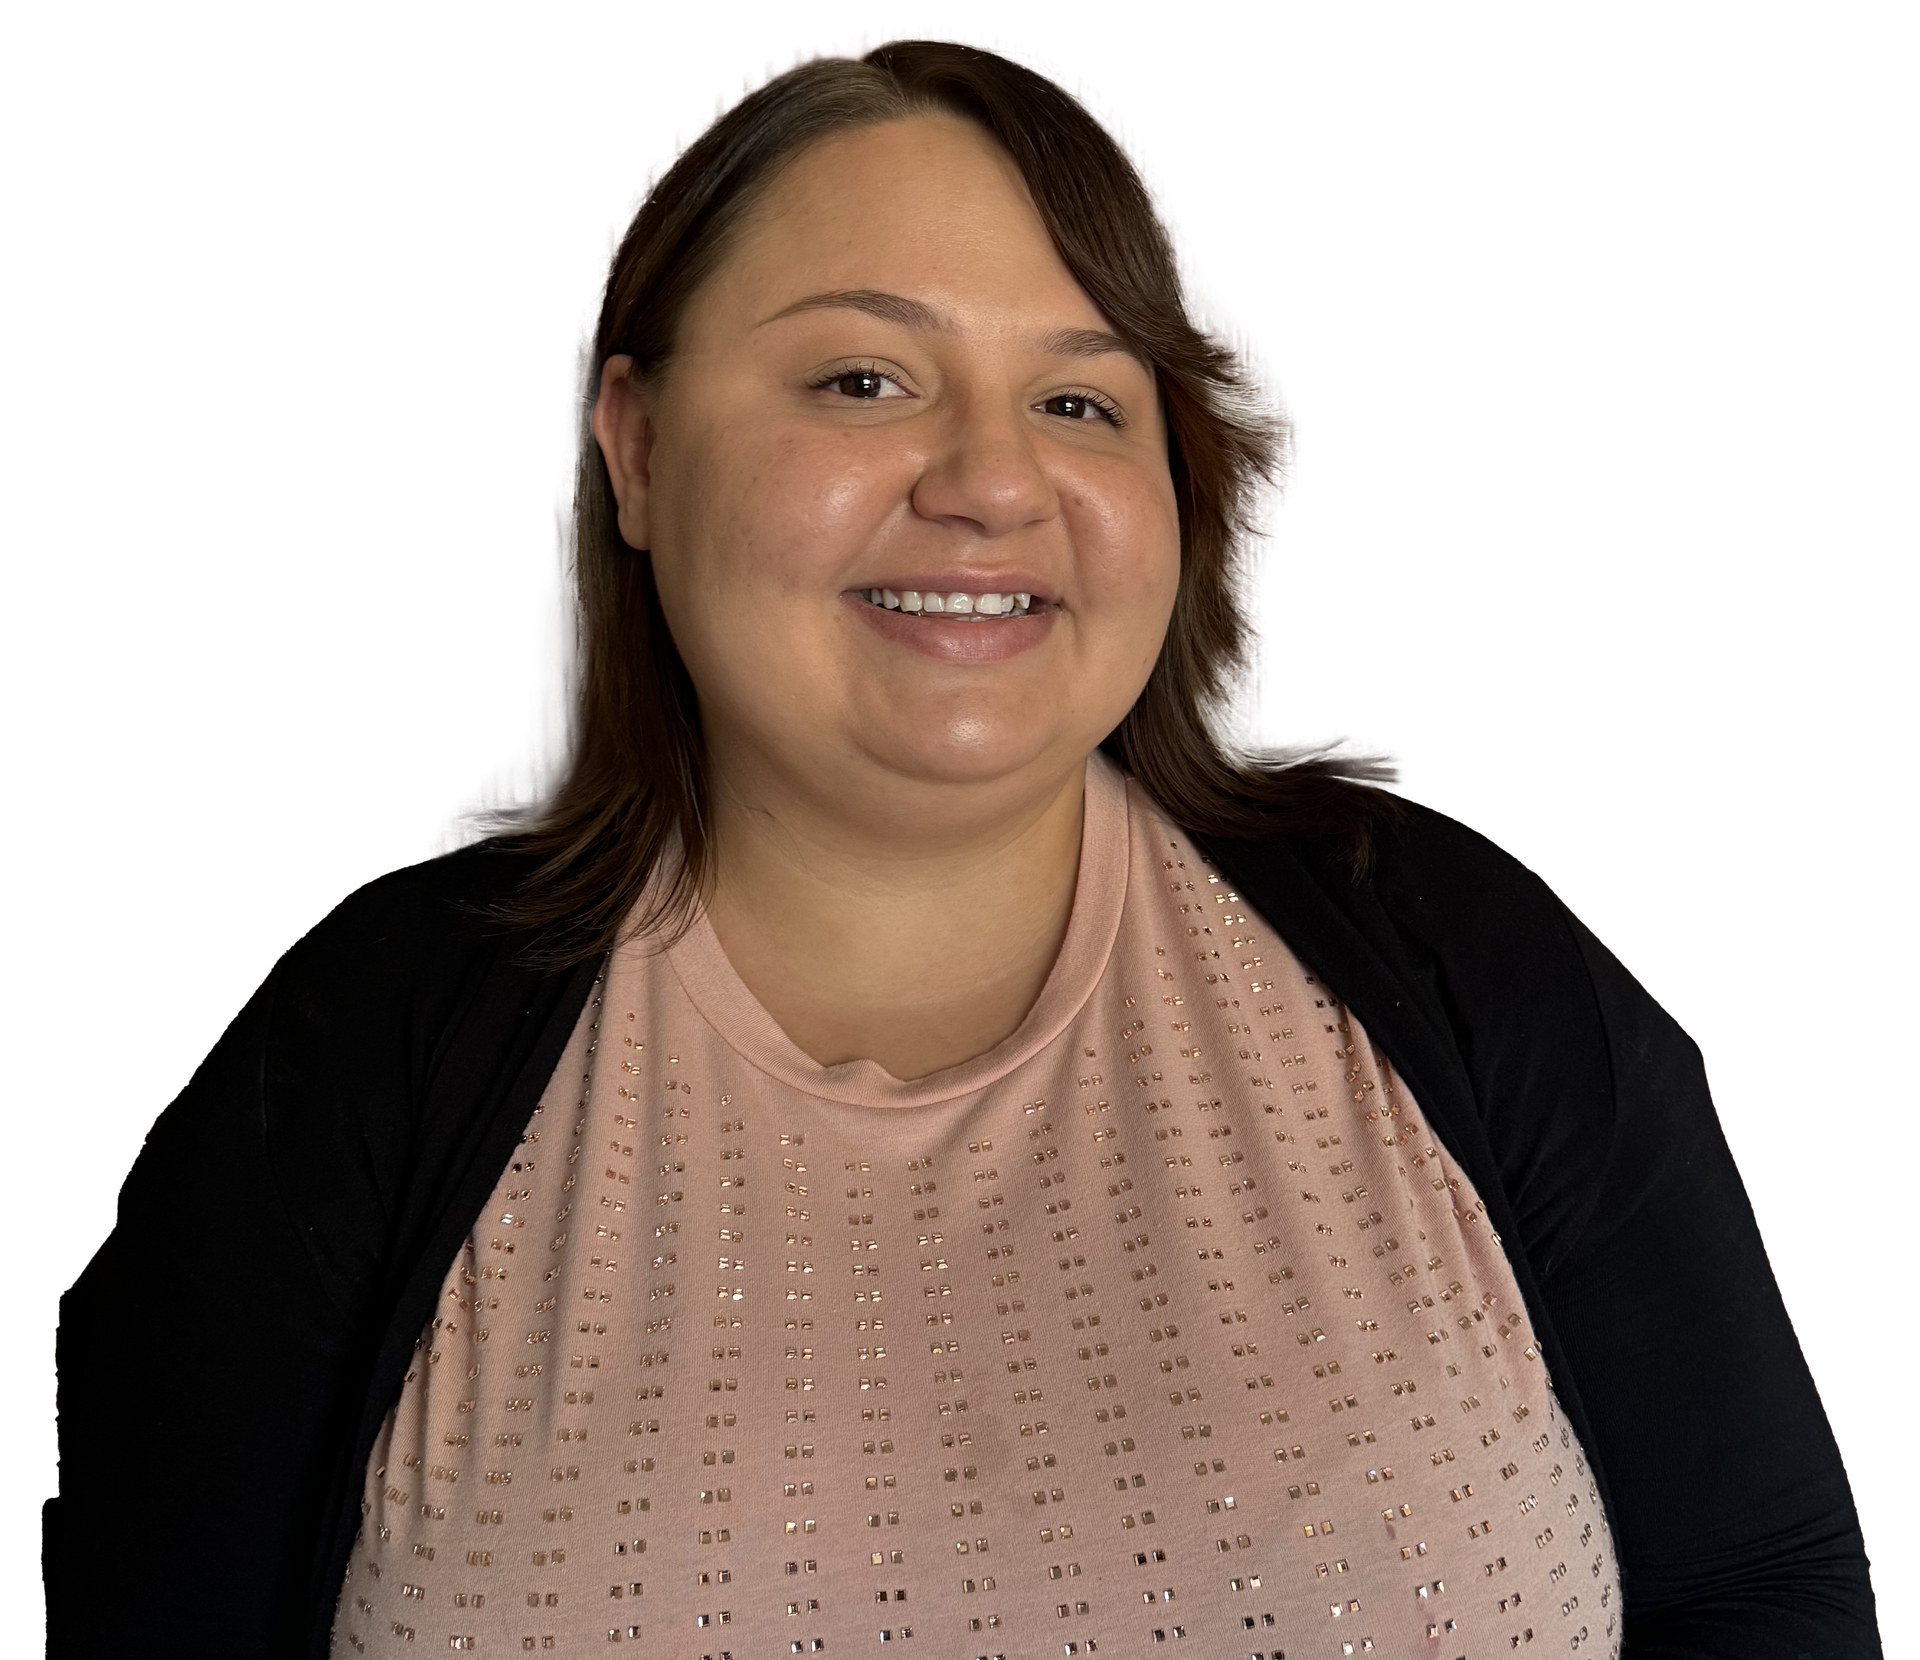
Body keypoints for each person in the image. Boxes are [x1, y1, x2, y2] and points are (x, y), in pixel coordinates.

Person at [41, 30, 1879, 1658]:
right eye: (861, 379)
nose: (993, 479)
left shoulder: (1454, 951)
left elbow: (1762, 1577)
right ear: (637, 448)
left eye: (1082, 400)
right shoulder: (356, 1057)